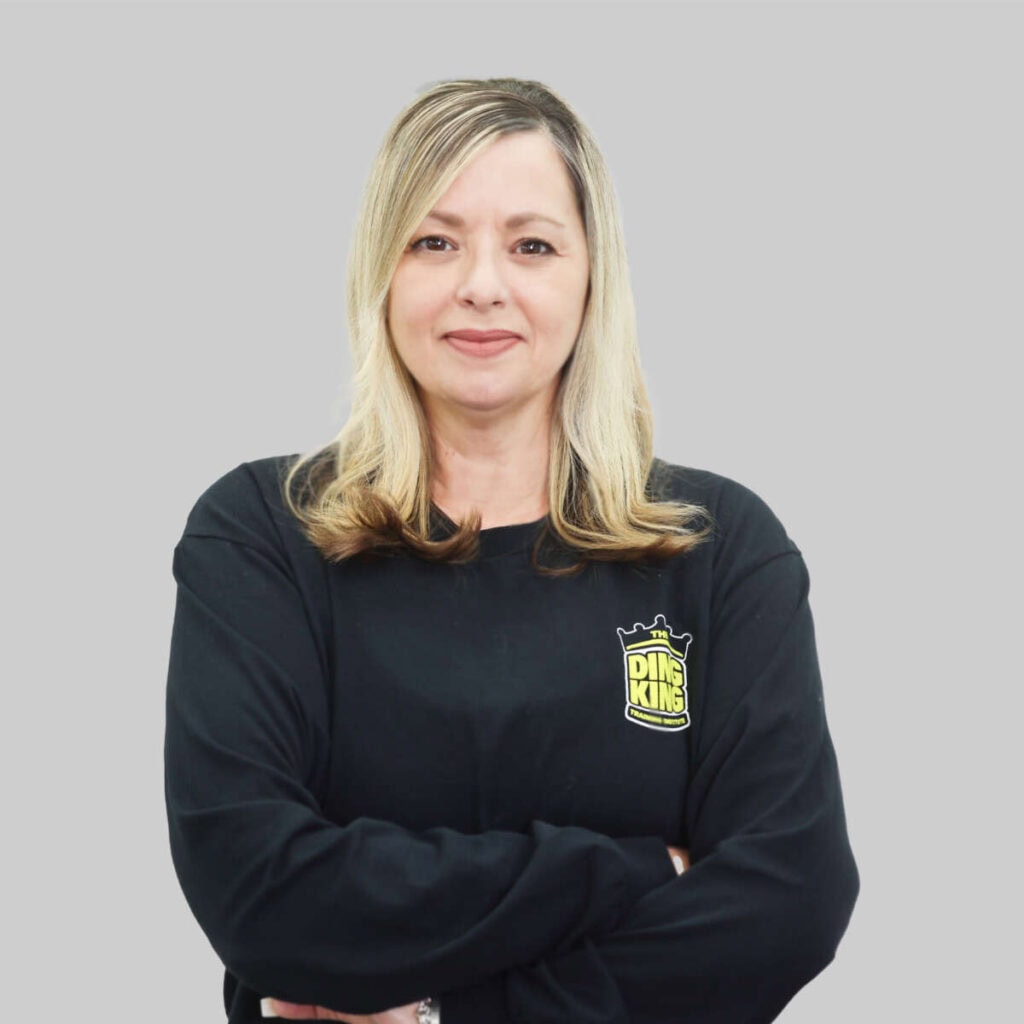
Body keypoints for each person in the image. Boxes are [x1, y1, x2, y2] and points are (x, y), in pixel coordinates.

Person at [164, 77, 859, 1024]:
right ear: (384, 271)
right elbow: (259, 892)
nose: (480, 283)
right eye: (434, 241)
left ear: (589, 276)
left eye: (531, 245)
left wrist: (440, 1011)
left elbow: (790, 904)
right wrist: (638, 870)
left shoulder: (719, 551)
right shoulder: (262, 534)